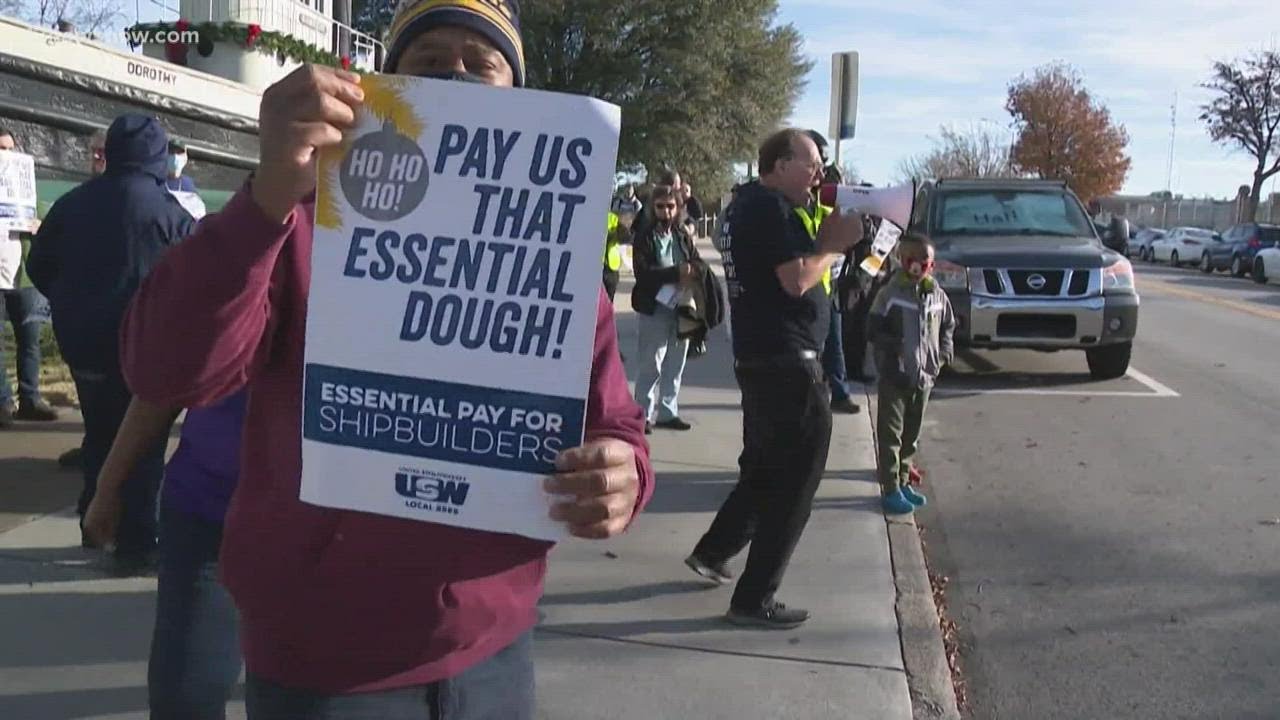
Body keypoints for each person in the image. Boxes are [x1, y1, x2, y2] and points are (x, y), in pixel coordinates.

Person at [118, 1, 654, 715]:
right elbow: (168, 370)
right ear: (385, 86)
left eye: (481, 62)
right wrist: (270, 192)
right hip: (323, 666)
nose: (457, 74)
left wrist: (623, 476)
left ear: (518, 95)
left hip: (494, 651)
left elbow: (614, 421)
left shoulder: (553, 267)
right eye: (431, 62)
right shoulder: (300, 226)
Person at [686, 128, 862, 629]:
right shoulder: (768, 208)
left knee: (764, 469)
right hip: (788, 362)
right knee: (795, 485)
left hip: (762, 357)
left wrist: (826, 229)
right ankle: (753, 598)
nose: (818, 173)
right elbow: (797, 279)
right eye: (809, 163)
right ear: (779, 164)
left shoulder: (750, 206)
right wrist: (832, 246)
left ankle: (714, 551)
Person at [27, 114, 196, 567]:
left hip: (82, 341)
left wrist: (70, 303)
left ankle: (94, 519)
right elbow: (200, 284)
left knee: (99, 432)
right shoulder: (173, 217)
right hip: (145, 347)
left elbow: (40, 266)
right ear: (159, 156)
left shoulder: (70, 204)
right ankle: (137, 540)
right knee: (144, 442)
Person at [83, 391, 246, 719]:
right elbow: (164, 382)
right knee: (184, 699)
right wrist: (109, 483)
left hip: (340, 534)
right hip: (209, 512)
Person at [868, 234, 955, 515]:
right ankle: (891, 487)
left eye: (925, 263)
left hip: (924, 376)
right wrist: (894, 351)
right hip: (896, 375)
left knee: (911, 434)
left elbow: (948, 327)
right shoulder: (890, 294)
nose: (919, 269)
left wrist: (942, 356)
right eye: (912, 262)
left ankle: (904, 480)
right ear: (902, 261)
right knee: (891, 434)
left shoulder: (937, 295)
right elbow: (873, 329)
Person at [0, 128, 59, 428]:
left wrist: (38, 228)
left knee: (30, 341)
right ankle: (2, 403)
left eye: (9, 148)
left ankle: (30, 398)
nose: (5, 155)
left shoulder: (29, 196)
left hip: (23, 278)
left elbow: (50, 231)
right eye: (0, 149)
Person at [631, 184, 699, 434]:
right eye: (660, 206)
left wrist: (693, 274)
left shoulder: (681, 234)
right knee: (651, 362)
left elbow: (695, 261)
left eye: (671, 206)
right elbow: (643, 274)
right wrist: (674, 273)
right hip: (655, 306)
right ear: (653, 208)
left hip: (681, 305)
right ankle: (643, 414)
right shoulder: (644, 236)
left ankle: (668, 411)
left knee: (676, 362)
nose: (666, 212)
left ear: (678, 208)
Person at [801, 130, 859, 415]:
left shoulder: (824, 198)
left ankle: (839, 391)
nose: (821, 172)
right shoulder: (799, 202)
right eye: (817, 163)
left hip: (829, 281)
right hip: (810, 283)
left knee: (835, 343)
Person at [602, 209, 627, 302]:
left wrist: (623, 228)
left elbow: (625, 239)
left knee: (608, 302)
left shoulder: (613, 218)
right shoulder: (585, 217)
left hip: (610, 268)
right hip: (592, 268)